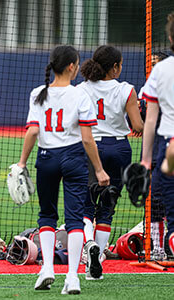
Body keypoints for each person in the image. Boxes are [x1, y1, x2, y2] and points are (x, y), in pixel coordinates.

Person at [17, 45, 109, 295]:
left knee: (47, 215)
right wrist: (99, 170)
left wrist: (22, 163)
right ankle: (72, 278)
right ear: (71, 66)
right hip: (73, 158)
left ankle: (47, 269)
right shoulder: (80, 95)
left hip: (46, 158)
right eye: (77, 64)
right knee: (75, 219)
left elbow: (33, 131)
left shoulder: (38, 93)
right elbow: (88, 139)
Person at [77, 45, 144, 279]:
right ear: (114, 67)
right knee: (107, 208)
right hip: (119, 148)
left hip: (91, 147)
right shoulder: (126, 89)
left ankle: (89, 249)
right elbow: (138, 127)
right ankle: (99, 256)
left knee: (85, 206)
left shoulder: (81, 89)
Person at [140, 12, 174, 259]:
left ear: (170, 37)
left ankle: (168, 239)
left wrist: (145, 159)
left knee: (163, 192)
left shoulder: (161, 72)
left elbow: (149, 120)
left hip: (167, 141)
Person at [138, 50, 170, 261]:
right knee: (156, 200)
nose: (151, 67)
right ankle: (158, 247)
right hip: (159, 147)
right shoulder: (145, 89)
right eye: (149, 63)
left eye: (155, 63)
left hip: (164, 144)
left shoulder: (164, 82)